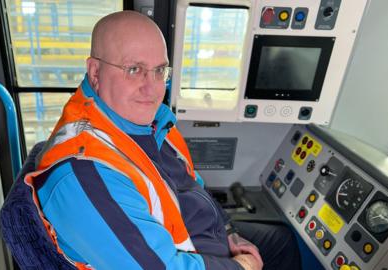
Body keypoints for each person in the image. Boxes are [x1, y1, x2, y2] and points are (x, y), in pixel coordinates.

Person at [24, 10, 301, 270]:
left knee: (282, 241)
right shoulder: (83, 173)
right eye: (134, 69)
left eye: (160, 71)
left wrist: (229, 231)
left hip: (197, 236)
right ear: (95, 73)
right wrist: (240, 266)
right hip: (181, 256)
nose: (152, 88)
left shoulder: (147, 122)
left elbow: (190, 185)